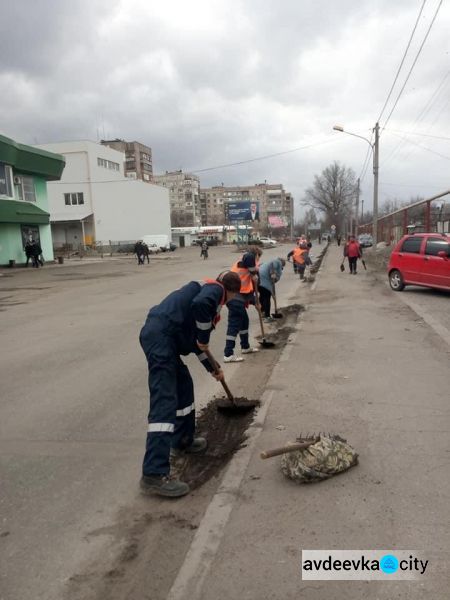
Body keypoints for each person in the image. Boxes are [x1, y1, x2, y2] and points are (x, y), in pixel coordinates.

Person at [139, 271, 241, 498]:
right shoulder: (215, 290)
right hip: (160, 338)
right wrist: (204, 339)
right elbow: (201, 313)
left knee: (184, 386)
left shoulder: (207, 297)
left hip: (165, 339)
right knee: (164, 401)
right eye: (233, 297)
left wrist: (215, 370)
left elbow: (197, 346)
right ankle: (153, 474)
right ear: (231, 292)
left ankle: (183, 439)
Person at [224, 246, 262, 362]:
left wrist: (256, 302)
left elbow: (248, 290)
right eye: (258, 258)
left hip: (238, 297)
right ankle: (228, 354)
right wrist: (253, 272)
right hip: (234, 298)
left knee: (244, 322)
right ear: (256, 255)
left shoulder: (246, 265)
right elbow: (249, 257)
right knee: (234, 325)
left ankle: (245, 347)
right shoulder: (247, 258)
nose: (257, 261)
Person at [258, 258, 285, 323]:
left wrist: (273, 293)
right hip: (264, 281)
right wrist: (272, 273)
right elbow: (272, 264)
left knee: (262, 296)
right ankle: (267, 317)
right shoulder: (277, 262)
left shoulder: (265, 263)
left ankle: (262, 312)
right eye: (282, 268)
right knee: (266, 298)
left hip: (258, 281)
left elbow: (259, 266)